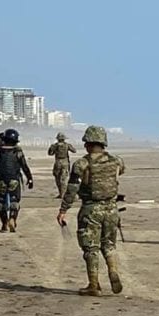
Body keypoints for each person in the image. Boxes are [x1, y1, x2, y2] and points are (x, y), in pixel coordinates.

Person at [57, 125, 125, 296]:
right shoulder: (117, 161)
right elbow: (120, 172)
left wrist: (63, 210)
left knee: (90, 248)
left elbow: (72, 189)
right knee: (109, 245)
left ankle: (93, 285)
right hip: (111, 209)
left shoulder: (82, 164)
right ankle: (112, 270)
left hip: (91, 209)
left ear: (87, 143)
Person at [0, 128, 33, 233]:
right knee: (15, 201)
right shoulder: (17, 151)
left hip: (1, 179)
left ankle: (4, 223)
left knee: (1, 202)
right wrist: (30, 178)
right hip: (14, 179)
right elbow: (24, 165)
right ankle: (13, 218)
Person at [48, 132, 77, 199]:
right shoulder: (67, 145)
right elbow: (74, 150)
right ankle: (63, 194)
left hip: (58, 162)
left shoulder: (55, 145)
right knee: (64, 179)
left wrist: (51, 148)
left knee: (57, 178)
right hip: (65, 162)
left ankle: (61, 193)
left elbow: (50, 153)